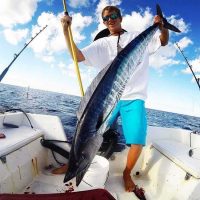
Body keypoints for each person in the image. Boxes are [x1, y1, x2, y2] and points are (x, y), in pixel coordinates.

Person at [61, 5, 168, 198]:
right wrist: (65, 30)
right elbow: (77, 56)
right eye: (106, 18)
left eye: (114, 15)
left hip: (133, 98)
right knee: (83, 128)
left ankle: (126, 173)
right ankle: (73, 162)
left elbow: (163, 41)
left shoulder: (135, 36)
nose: (110, 19)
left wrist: (162, 27)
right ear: (103, 22)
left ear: (120, 17)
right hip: (107, 100)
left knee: (137, 141)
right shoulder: (101, 44)